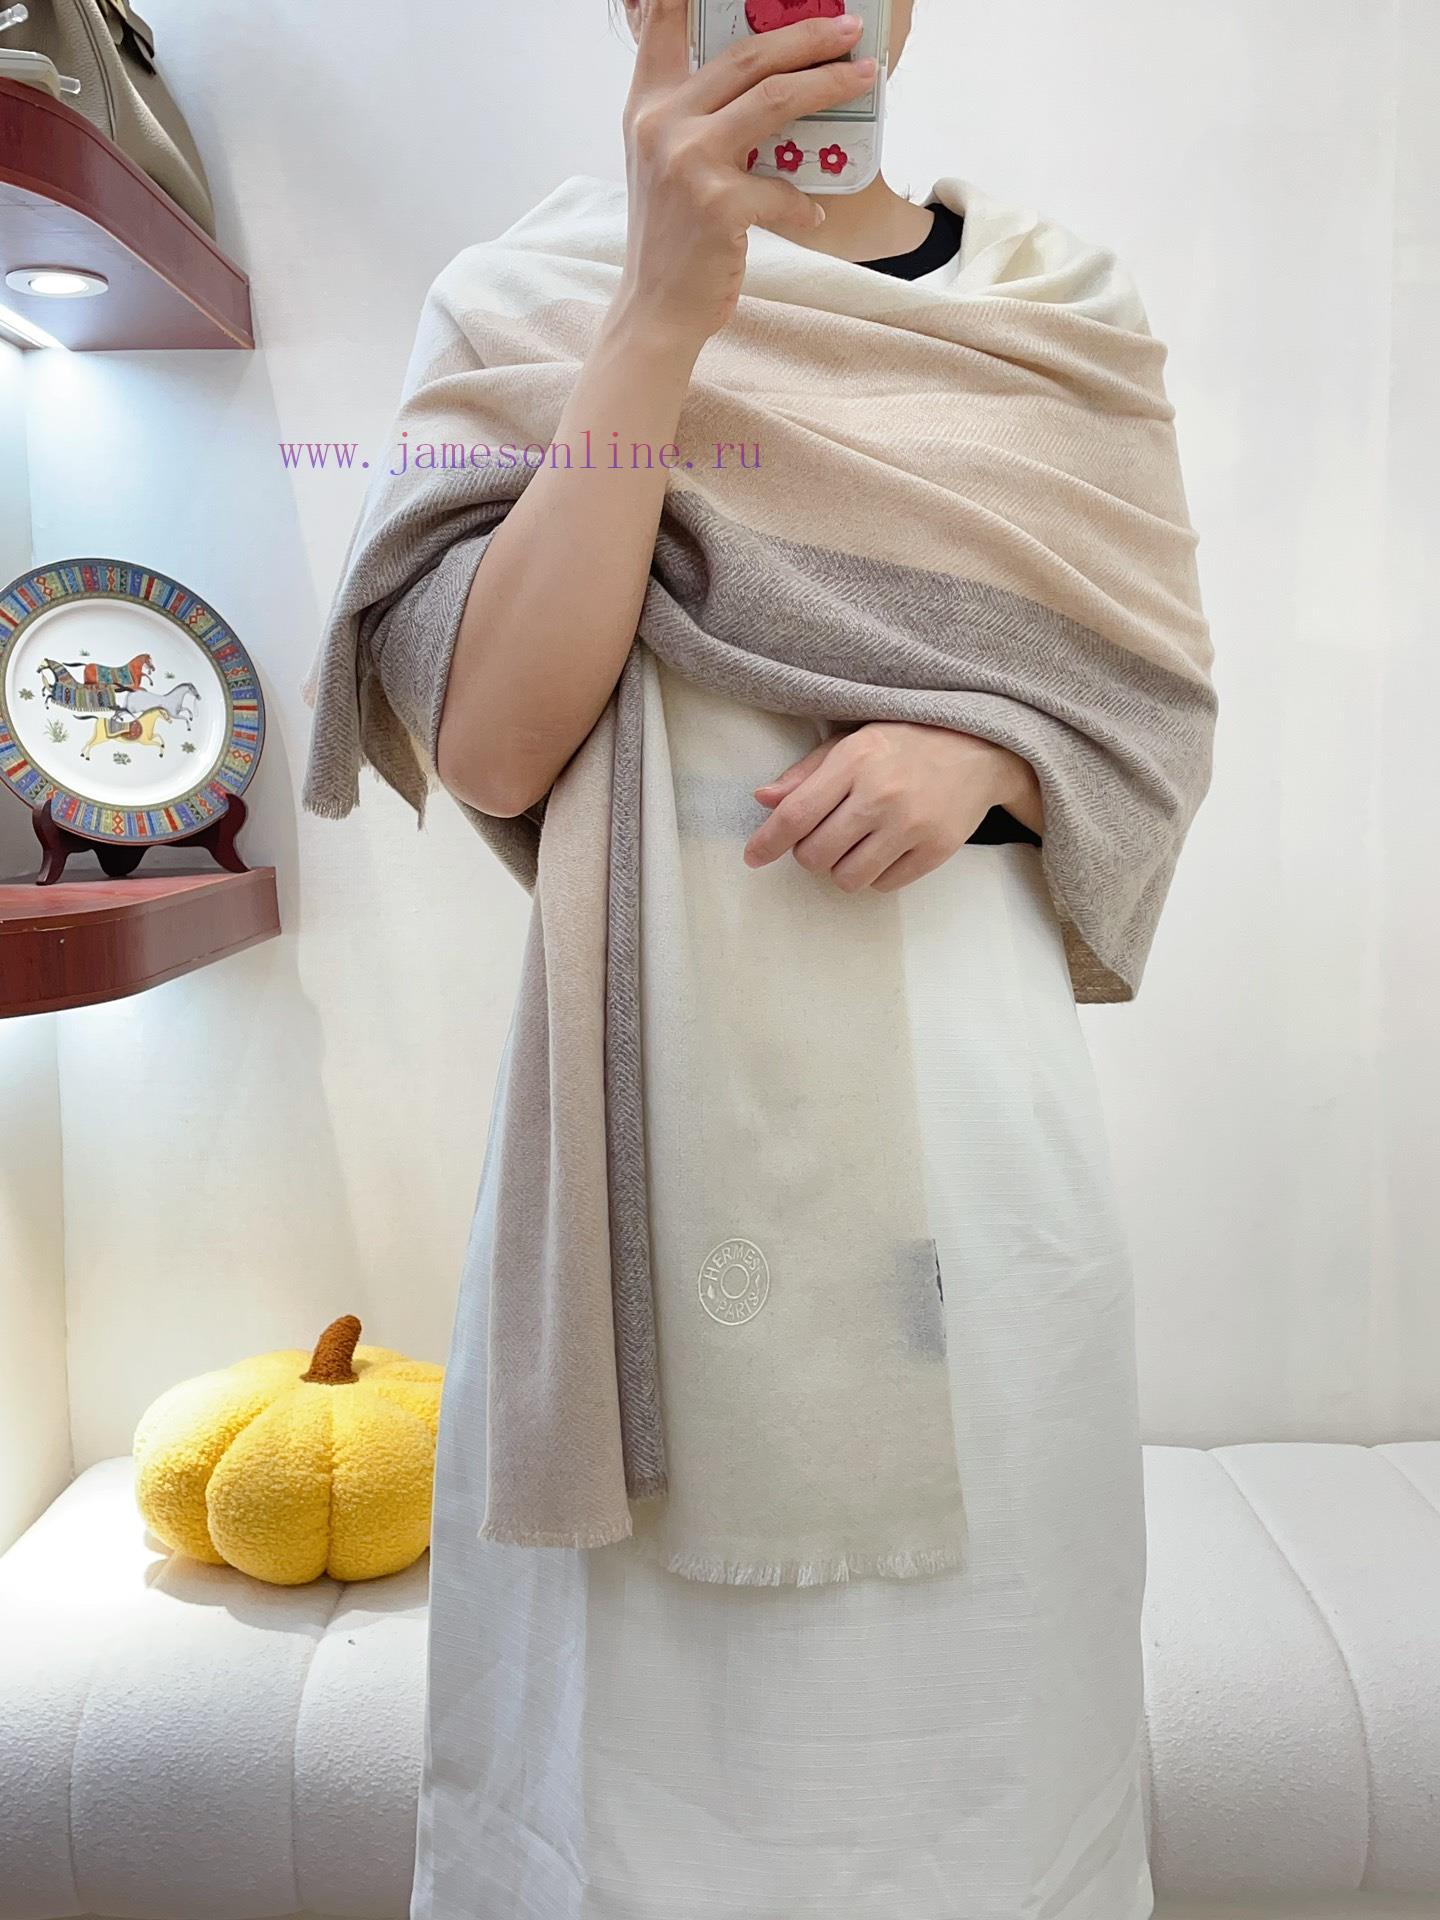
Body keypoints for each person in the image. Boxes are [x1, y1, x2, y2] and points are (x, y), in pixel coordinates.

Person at [302, 2, 1213, 1914]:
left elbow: (1143, 712)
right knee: (636, 1770)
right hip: (643, 1165)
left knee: (985, 1742)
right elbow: (493, 744)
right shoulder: (527, 298)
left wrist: (992, 762)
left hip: (972, 1169)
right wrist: (657, 314)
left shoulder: (1061, 312)